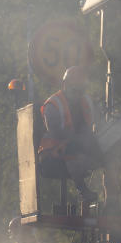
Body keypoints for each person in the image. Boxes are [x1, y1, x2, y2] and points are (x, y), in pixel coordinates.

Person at [37, 66, 98, 201]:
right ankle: (82, 190)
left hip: (78, 146)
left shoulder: (86, 101)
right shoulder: (53, 104)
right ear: (65, 85)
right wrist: (79, 139)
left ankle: (113, 198)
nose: (77, 93)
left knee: (107, 149)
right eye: (74, 87)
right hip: (52, 152)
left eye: (80, 88)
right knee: (73, 148)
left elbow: (96, 122)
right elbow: (55, 132)